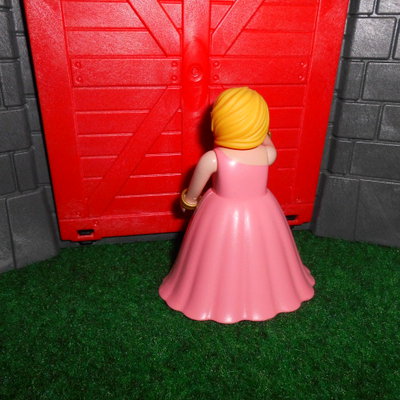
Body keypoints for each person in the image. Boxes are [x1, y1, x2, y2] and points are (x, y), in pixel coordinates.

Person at [159, 87, 315, 323]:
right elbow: (270, 145)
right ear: (261, 125)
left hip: (219, 213)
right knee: (264, 254)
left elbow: (194, 191)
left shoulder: (213, 158)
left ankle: (214, 295)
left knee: (212, 256)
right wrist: (263, 133)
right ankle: (262, 293)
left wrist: (188, 202)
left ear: (217, 124)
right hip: (262, 212)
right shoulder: (266, 155)